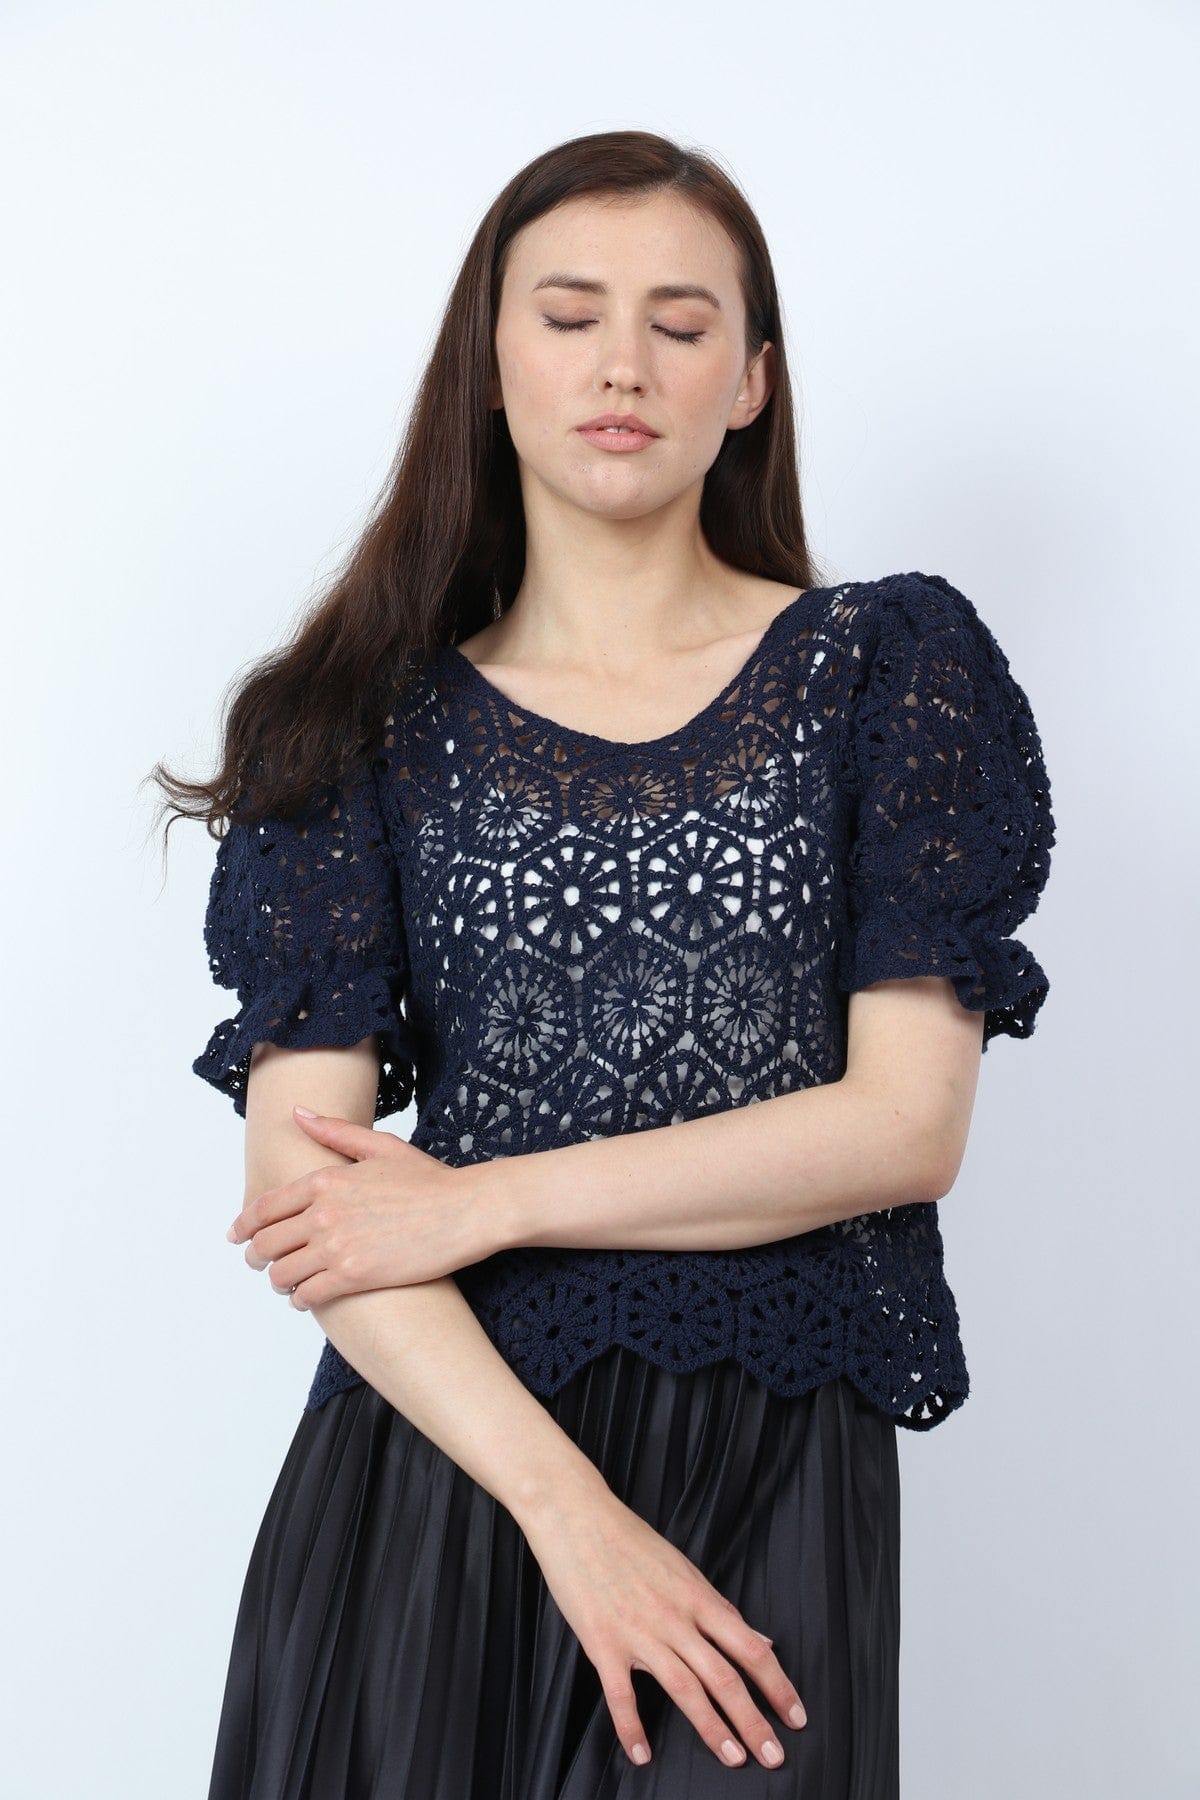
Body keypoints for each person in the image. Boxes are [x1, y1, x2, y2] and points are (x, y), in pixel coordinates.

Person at [157, 128, 1055, 1799]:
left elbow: (902, 1128)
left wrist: (483, 1200)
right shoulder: (347, 722)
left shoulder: (883, 669)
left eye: (681, 323)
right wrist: (570, 1516)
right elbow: (311, 1199)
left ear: (752, 381)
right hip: (441, 1472)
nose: (622, 364)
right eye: (570, 316)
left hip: (769, 1461)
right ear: (491, 363)